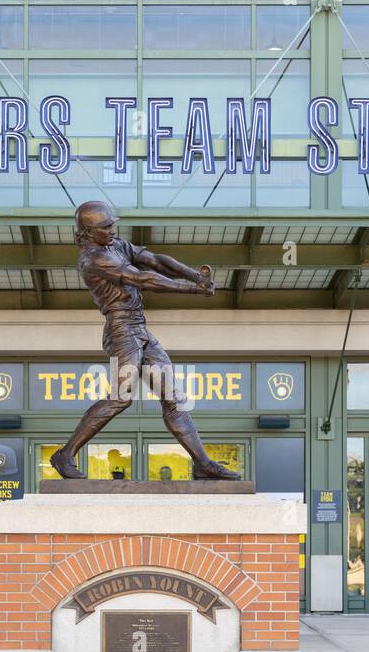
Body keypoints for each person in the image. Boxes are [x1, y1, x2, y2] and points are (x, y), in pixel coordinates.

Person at [49, 201, 240, 481]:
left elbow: (155, 261)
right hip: (122, 329)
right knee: (121, 397)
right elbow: (142, 278)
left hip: (139, 328)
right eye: (106, 227)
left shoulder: (114, 246)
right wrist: (192, 289)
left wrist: (194, 275)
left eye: (112, 224)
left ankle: (202, 463)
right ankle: (65, 455)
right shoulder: (93, 258)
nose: (112, 230)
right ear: (88, 233)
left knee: (173, 399)